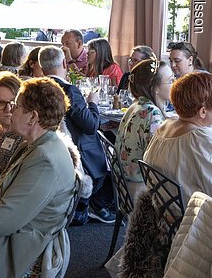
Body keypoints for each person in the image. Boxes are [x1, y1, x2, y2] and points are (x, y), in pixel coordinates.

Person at [0, 77, 76, 277]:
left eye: (17, 106)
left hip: (17, 253)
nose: (11, 111)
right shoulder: (32, 145)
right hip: (6, 240)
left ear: (32, 117)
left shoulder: (45, 160)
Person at [39, 45, 114, 225]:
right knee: (112, 148)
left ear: (42, 69)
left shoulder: (37, 89)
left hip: (49, 145)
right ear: (65, 63)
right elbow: (90, 126)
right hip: (77, 149)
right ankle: (97, 205)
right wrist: (93, 103)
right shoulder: (68, 90)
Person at [144, 72, 212, 204]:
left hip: (164, 208)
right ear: (202, 111)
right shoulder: (199, 138)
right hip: (192, 216)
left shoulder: (165, 125)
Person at [115, 60, 174, 197]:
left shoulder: (137, 105)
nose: (175, 84)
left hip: (124, 185)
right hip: (141, 192)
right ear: (155, 88)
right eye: (171, 80)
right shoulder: (152, 113)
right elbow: (159, 159)